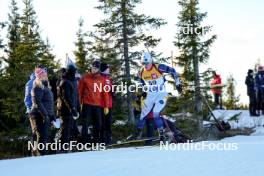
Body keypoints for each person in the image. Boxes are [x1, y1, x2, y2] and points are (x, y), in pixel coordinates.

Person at [134, 52, 182, 141]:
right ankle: (137, 133)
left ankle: (161, 134)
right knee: (143, 115)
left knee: (156, 113)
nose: (146, 66)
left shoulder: (158, 67)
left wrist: (178, 83)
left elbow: (172, 70)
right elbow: (140, 81)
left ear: (151, 61)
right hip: (150, 95)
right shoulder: (141, 71)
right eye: (144, 64)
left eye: (147, 63)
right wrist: (144, 90)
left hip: (161, 94)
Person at [78, 60, 109, 143]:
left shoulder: (102, 79)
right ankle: (84, 142)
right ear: (91, 67)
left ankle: (96, 140)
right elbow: (80, 91)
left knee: (98, 124)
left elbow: (105, 93)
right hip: (87, 104)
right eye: (93, 68)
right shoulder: (84, 78)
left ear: (99, 69)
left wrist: (106, 106)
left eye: (96, 68)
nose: (94, 70)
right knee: (85, 123)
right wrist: (80, 103)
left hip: (97, 105)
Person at [29, 67, 55, 156]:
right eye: (43, 74)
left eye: (45, 74)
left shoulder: (46, 87)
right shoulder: (37, 87)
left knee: (44, 136)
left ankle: (41, 155)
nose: (46, 76)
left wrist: (52, 115)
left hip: (45, 114)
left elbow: (49, 103)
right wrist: (45, 114)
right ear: (39, 77)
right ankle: (38, 155)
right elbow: (38, 102)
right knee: (39, 135)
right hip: (37, 114)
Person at [57, 64, 79, 151]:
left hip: (71, 109)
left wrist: (77, 107)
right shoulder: (64, 81)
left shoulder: (73, 81)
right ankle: (61, 148)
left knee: (70, 129)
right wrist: (72, 108)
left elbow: (75, 96)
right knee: (65, 129)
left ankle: (66, 147)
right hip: (64, 109)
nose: (75, 73)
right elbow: (66, 97)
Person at [100, 63, 114, 145]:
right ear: (104, 69)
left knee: (108, 122)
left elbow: (111, 89)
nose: (109, 69)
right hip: (102, 105)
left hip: (109, 104)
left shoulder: (108, 79)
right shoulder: (99, 78)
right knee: (103, 123)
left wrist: (113, 92)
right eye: (107, 68)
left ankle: (108, 139)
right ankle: (103, 140)